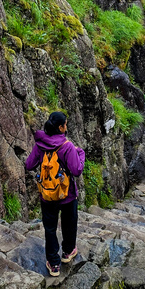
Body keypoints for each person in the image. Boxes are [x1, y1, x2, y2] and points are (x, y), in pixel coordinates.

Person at [26, 111, 85, 277]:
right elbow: (77, 170)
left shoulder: (40, 144)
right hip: (66, 194)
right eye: (65, 124)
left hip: (47, 194)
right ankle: (67, 252)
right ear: (60, 127)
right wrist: (80, 153)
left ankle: (53, 264)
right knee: (69, 223)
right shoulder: (66, 146)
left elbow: (29, 165)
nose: (66, 126)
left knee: (50, 228)